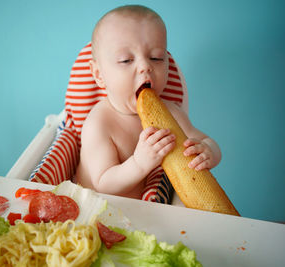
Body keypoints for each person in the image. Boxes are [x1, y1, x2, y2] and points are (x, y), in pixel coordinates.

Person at [75, 5, 222, 200]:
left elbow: (206, 141)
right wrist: (139, 163)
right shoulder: (100, 122)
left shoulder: (171, 113)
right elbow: (102, 183)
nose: (145, 66)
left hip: (151, 214)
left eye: (156, 58)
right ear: (99, 75)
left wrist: (208, 151)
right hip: (100, 210)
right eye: (126, 60)